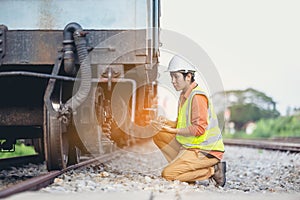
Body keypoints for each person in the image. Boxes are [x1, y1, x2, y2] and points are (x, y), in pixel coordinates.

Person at [152, 55, 226, 187]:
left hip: (206, 151)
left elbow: (199, 129)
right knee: (158, 133)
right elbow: (182, 124)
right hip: (191, 146)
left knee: (168, 175)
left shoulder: (197, 97)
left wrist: (173, 130)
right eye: (172, 77)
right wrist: (165, 123)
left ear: (188, 76)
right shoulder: (184, 95)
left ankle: (213, 170)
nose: (173, 81)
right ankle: (184, 170)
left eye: (176, 77)